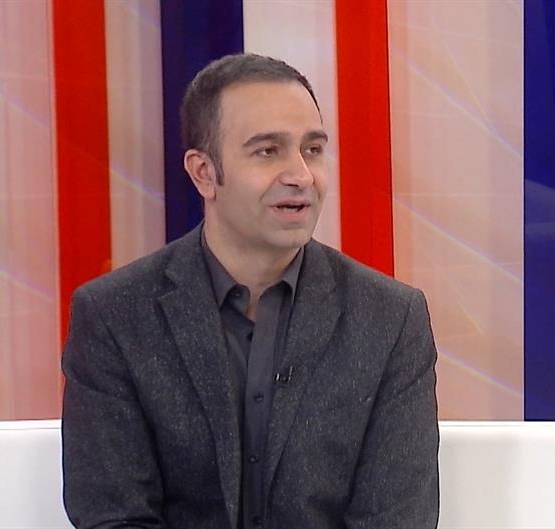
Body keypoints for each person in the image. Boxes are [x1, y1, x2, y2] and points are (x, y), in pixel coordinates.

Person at [61, 53, 439, 529]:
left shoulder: (390, 319)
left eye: (313, 149)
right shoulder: (114, 316)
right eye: (268, 151)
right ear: (204, 172)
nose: (301, 175)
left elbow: (396, 520)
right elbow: (115, 517)